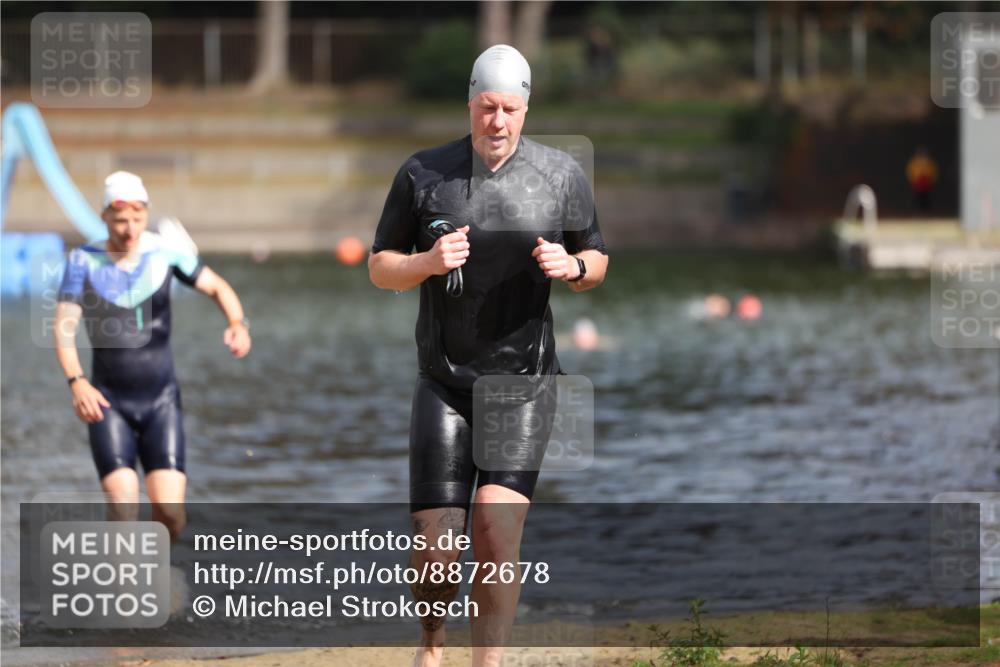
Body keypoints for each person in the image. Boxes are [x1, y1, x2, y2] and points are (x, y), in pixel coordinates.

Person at [369, 45, 608, 667]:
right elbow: (378, 267)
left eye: (510, 109)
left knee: (495, 536)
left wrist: (574, 266)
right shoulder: (425, 174)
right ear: (469, 104)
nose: (497, 122)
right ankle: (431, 642)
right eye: (486, 107)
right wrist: (425, 262)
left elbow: (598, 259)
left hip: (523, 386)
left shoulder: (560, 175)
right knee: (435, 550)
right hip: (444, 382)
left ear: (527, 109)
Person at [53, 171, 251, 540]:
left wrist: (237, 323)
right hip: (108, 403)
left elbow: (218, 287)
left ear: (146, 214)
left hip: (161, 401)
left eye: (137, 218)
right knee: (123, 509)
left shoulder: (167, 253)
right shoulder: (82, 261)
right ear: (104, 217)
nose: (130, 228)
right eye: (121, 220)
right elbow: (64, 326)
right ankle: (125, 590)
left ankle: (163, 572)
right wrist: (76, 381)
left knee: (169, 513)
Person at [906, 146, 938, 214]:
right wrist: (913, 180)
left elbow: (933, 171)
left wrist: (932, 181)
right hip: (918, 183)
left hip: (926, 183)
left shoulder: (929, 162)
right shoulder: (915, 161)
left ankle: (927, 213)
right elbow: (910, 171)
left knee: (926, 199)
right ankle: (917, 212)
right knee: (917, 199)